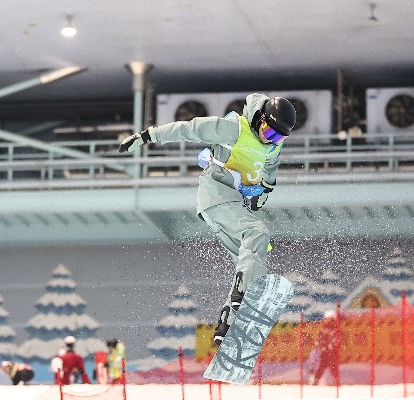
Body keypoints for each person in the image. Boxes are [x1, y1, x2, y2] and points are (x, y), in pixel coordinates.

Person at [119, 94, 297, 345]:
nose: (269, 139)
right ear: (259, 118)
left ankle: (229, 322)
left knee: (255, 261)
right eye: (268, 131)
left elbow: (270, 168)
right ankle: (241, 296)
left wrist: (264, 192)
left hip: (234, 202)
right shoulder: (235, 128)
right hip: (216, 195)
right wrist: (148, 136)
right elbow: (190, 129)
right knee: (257, 233)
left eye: (277, 137)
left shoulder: (272, 145)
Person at [308, 310, 340, 385]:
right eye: (325, 319)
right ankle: (315, 381)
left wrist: (331, 344)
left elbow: (336, 341)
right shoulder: (323, 330)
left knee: (333, 368)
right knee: (321, 367)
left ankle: (336, 382)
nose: (325, 320)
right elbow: (319, 340)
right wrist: (320, 344)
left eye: (327, 319)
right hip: (324, 352)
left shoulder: (335, 330)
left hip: (332, 353)